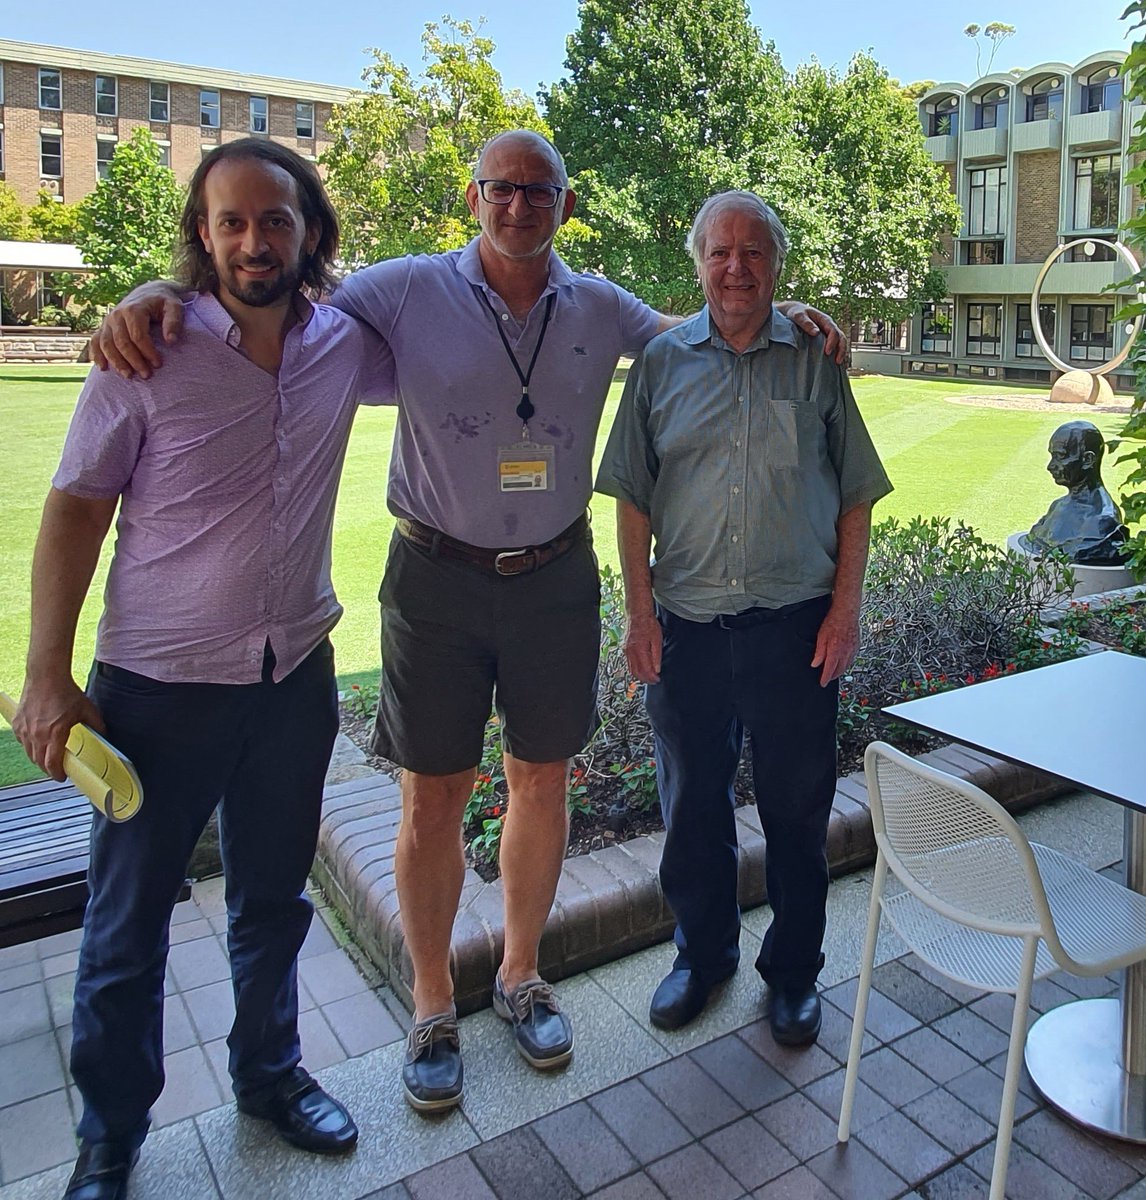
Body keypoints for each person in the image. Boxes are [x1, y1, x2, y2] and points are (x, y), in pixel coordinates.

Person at [89, 130, 847, 1112]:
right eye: (501, 189)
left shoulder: (601, 306)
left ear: (567, 206)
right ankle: (433, 1004)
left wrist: (775, 306)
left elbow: (701, 326)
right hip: (435, 580)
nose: (518, 207)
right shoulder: (401, 291)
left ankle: (522, 978)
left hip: (554, 575)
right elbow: (269, 299)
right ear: (474, 195)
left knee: (541, 781)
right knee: (431, 800)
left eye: (540, 192)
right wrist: (164, 298)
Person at [12, 139, 395, 1200]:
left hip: (293, 679)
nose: (252, 241)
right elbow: (75, 512)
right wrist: (47, 677)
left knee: (273, 901)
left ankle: (270, 1079)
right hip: (154, 689)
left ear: (309, 229)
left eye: (274, 220)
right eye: (229, 222)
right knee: (125, 926)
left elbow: (469, 325)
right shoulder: (146, 353)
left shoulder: (345, 343)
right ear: (201, 234)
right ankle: (112, 1138)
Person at [596, 191, 892, 1045]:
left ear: (777, 266)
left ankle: (794, 974)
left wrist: (844, 614)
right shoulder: (659, 363)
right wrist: (639, 615)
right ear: (698, 263)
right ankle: (703, 956)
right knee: (692, 808)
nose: (736, 268)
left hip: (795, 630)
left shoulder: (813, 359)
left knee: (799, 815)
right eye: (720, 252)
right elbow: (632, 499)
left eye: (753, 253)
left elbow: (856, 499)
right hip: (686, 631)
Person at [1021, 419, 1129, 564]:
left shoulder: (1103, 521)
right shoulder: (1057, 506)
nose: (1050, 466)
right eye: (1052, 456)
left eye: (1060, 456)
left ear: (1087, 460)